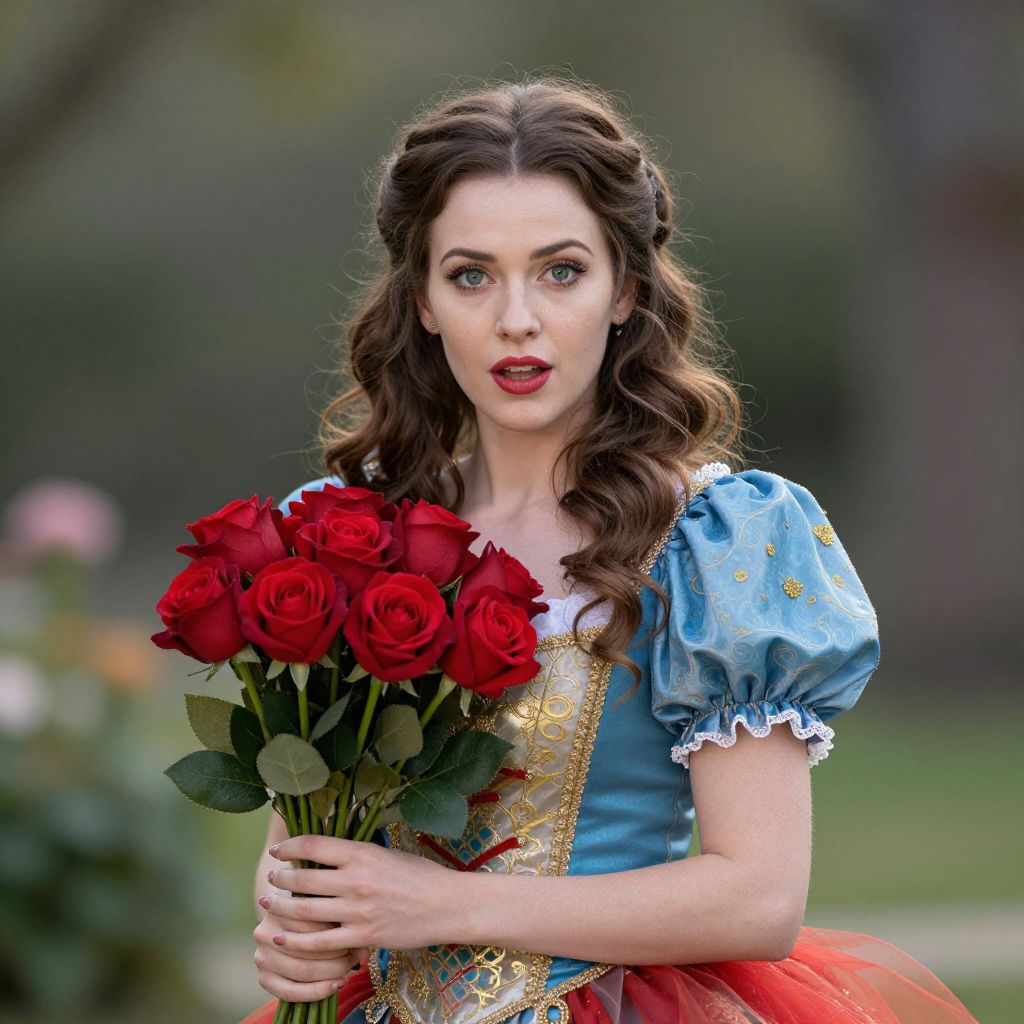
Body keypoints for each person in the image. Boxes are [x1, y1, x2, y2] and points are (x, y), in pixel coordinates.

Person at [239, 77, 978, 1024]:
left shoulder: (722, 540)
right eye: (470, 275)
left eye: (561, 271)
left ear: (626, 289)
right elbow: (303, 851)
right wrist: (294, 928)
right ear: (421, 299)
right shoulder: (343, 536)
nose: (517, 319)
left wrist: (443, 904)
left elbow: (758, 899)